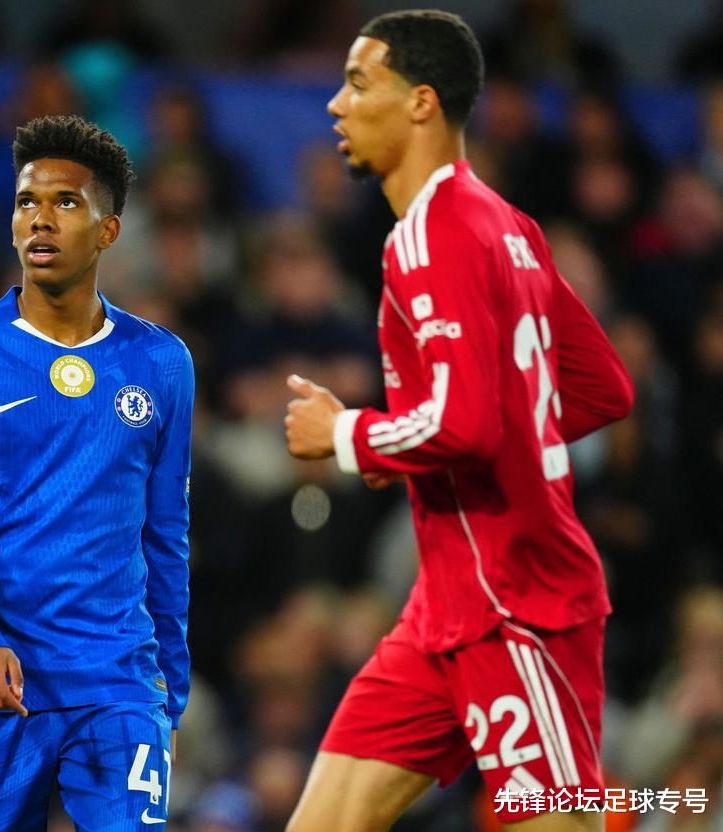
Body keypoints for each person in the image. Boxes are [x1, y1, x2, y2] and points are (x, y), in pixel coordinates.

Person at [282, 11, 633, 831]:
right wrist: (414, 447)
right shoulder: (507, 226)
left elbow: (468, 424)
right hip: (445, 608)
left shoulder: (431, 236)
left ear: (421, 103)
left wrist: (348, 435)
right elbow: (600, 388)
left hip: (517, 604)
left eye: (358, 83)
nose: (336, 104)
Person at [0, 114, 193, 831]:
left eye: (66, 202)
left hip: (117, 682)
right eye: (26, 202)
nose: (40, 218)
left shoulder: (162, 364)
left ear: (108, 231)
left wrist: (171, 687)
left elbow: (166, 533)